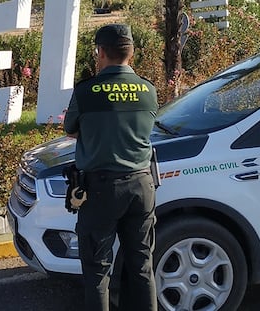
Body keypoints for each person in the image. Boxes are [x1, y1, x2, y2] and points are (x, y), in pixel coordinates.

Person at [64, 24, 158, 311]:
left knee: (97, 271)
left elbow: (70, 130)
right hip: (142, 185)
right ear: (132, 53)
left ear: (100, 52)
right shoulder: (148, 89)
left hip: (102, 190)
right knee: (142, 267)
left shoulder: (86, 92)